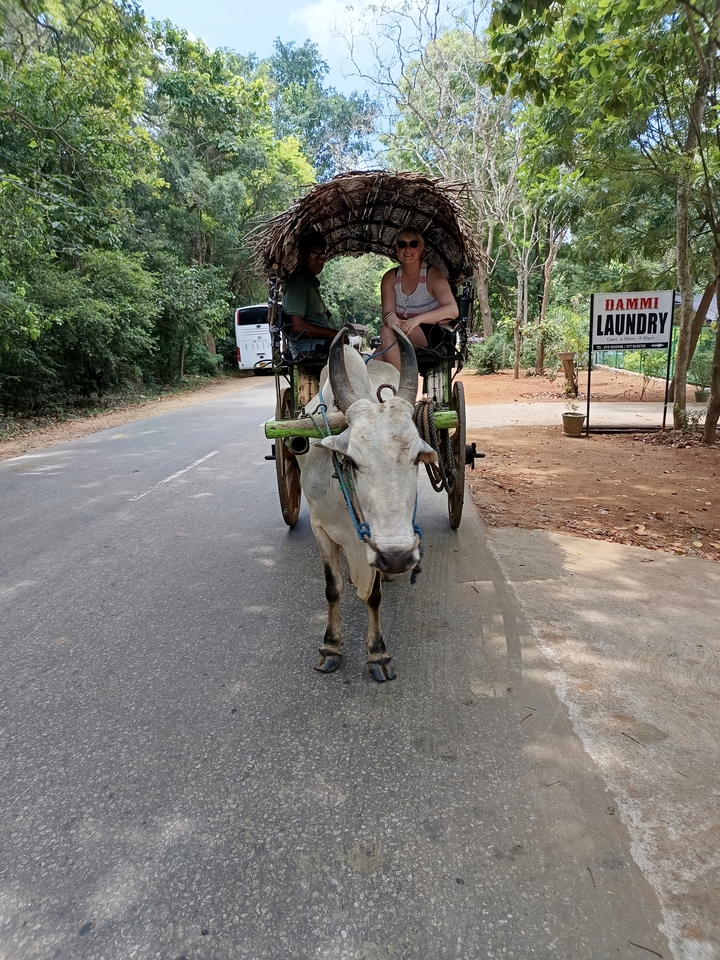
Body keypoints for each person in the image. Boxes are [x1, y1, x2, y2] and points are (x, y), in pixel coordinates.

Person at [378, 228, 459, 370]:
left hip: (434, 331)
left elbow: (452, 310)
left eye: (413, 244)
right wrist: (391, 318)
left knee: (386, 335)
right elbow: (387, 313)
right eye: (402, 244)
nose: (407, 249)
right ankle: (392, 386)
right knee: (374, 361)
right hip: (401, 331)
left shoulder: (433, 275)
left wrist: (417, 320)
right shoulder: (390, 278)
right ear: (397, 248)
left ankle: (402, 386)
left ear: (421, 247)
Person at [282, 231, 336, 358]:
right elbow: (297, 327)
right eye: (313, 255)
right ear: (301, 258)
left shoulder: (310, 283)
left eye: (322, 255)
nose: (319, 260)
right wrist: (333, 334)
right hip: (309, 353)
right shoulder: (298, 284)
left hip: (321, 349)